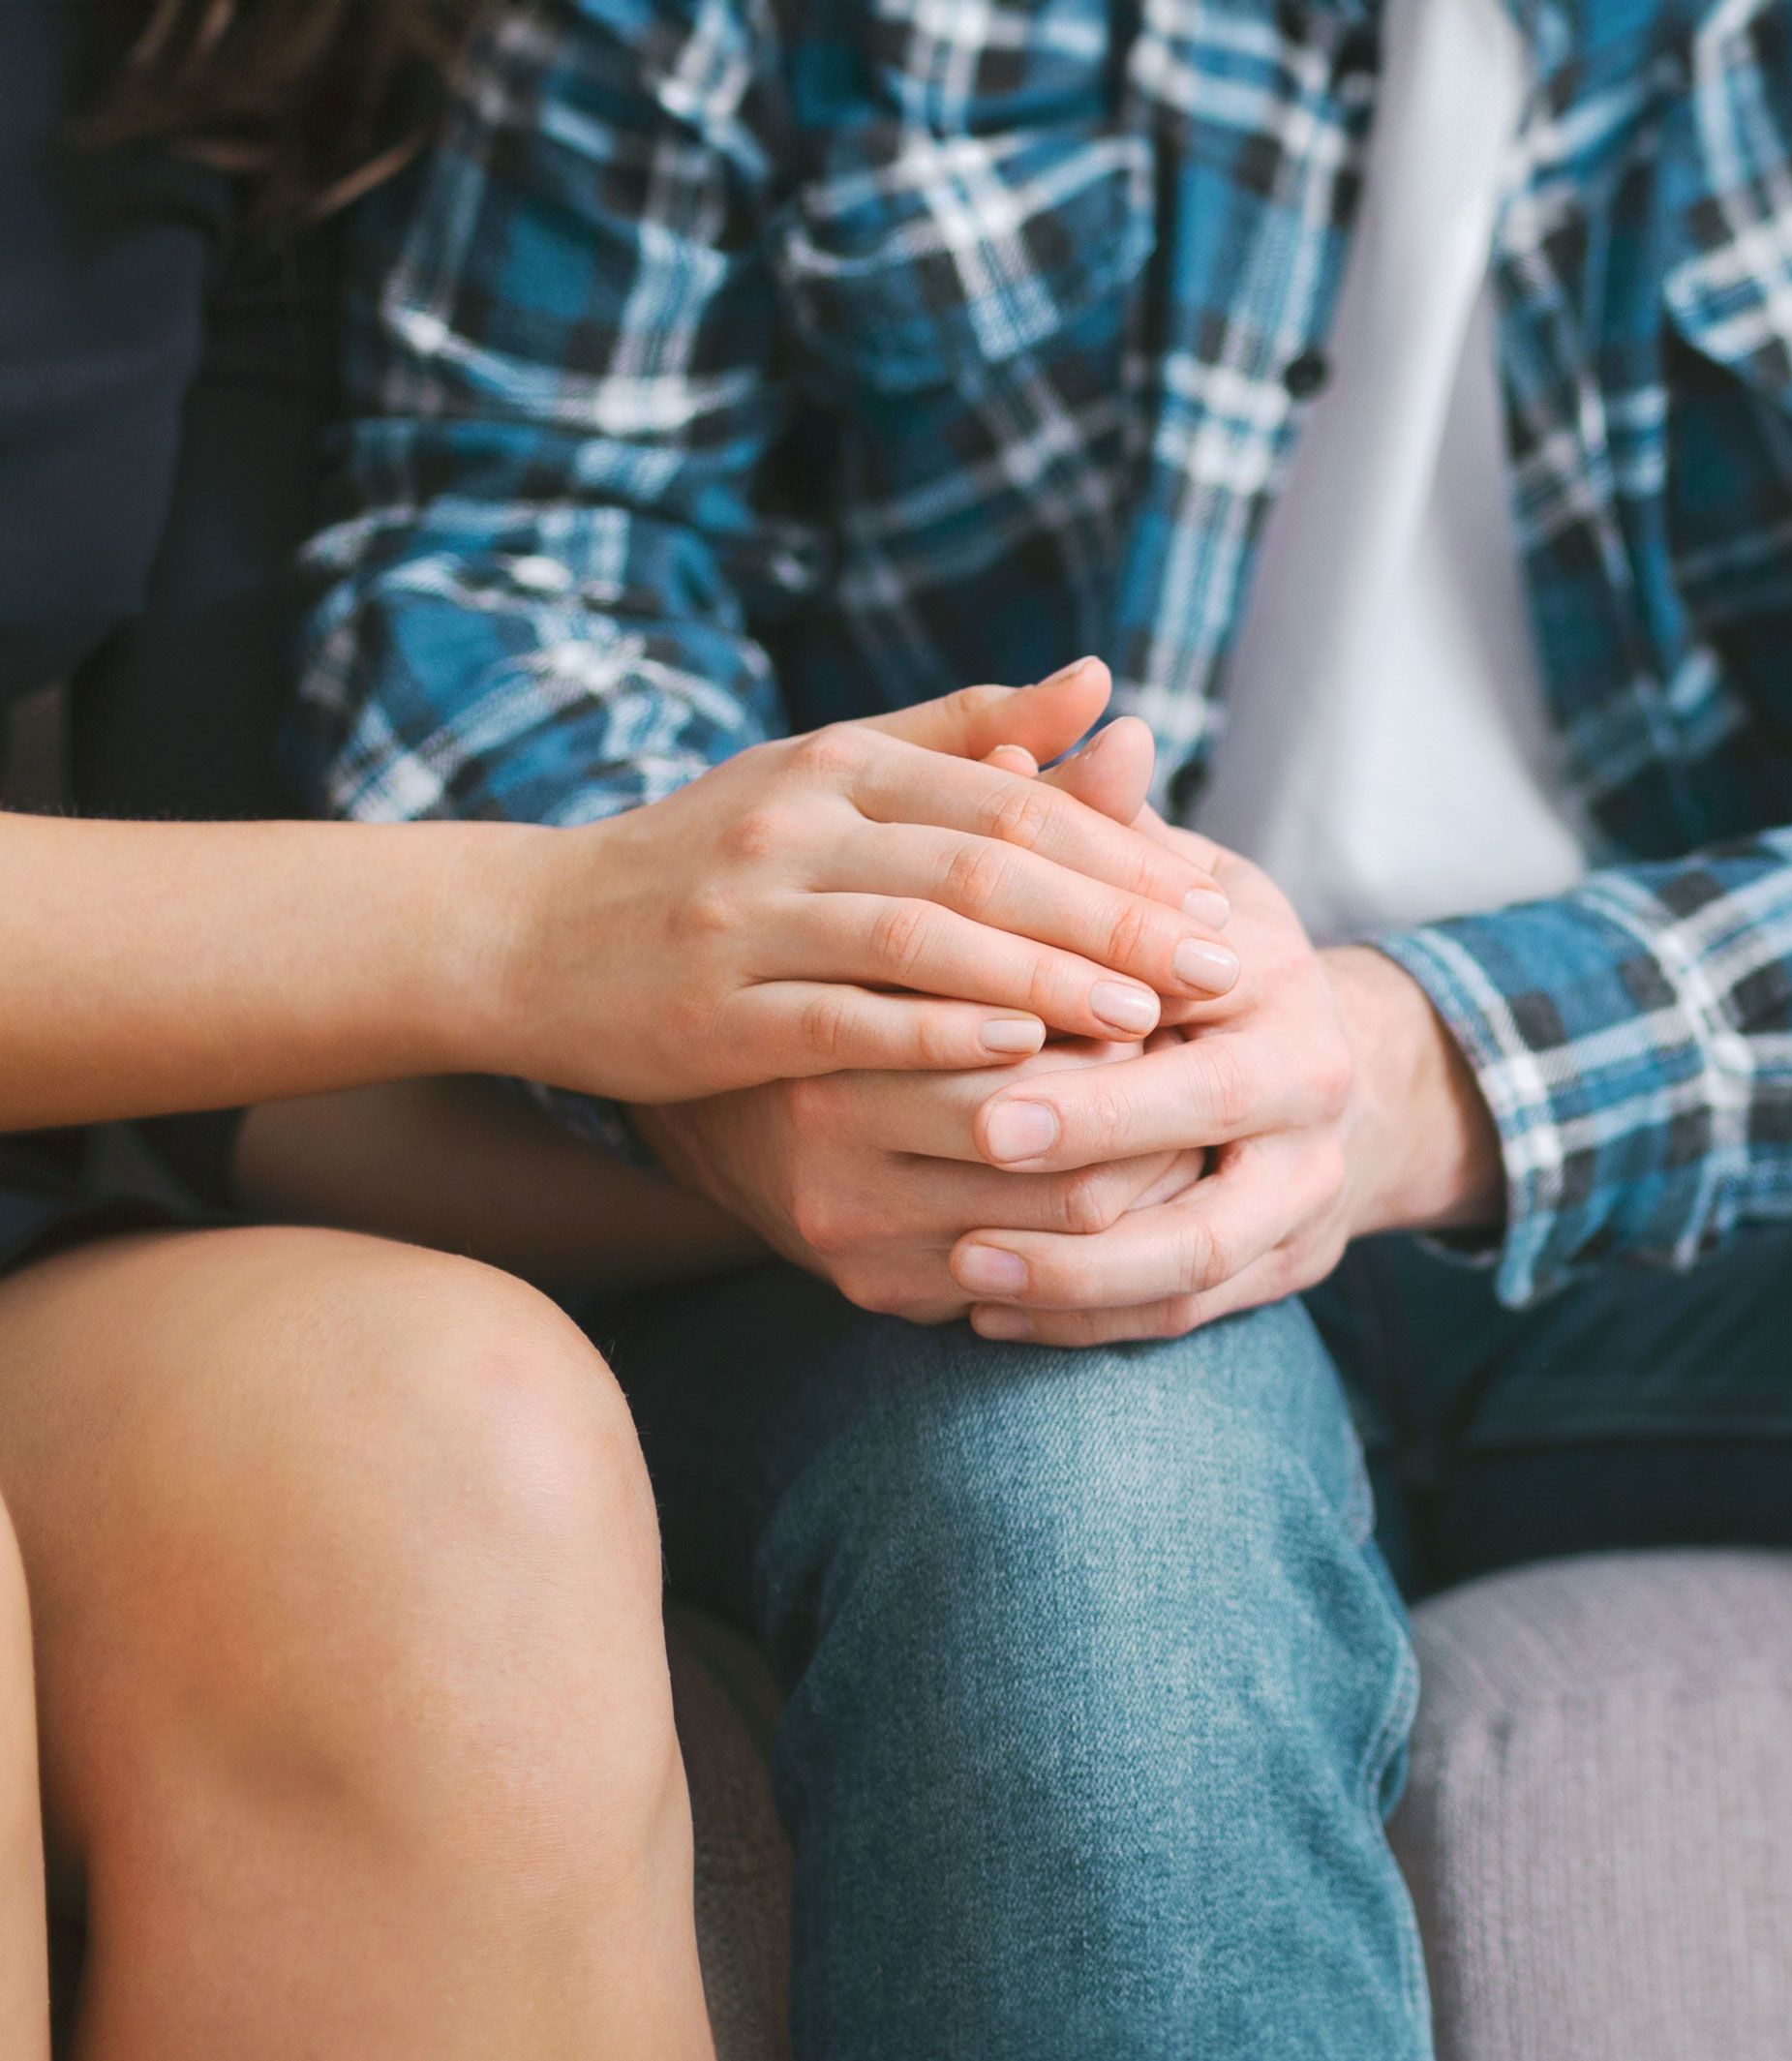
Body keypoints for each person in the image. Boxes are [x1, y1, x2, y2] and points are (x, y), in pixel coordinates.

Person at [289, 0, 1792, 2052]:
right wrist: (796, 1024)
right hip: (982, 1162)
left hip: (1704, 1205)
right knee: (1091, 1500)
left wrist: (1416, 1067)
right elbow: (503, 565)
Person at [0, 0, 1244, 2049]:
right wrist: (536, 922)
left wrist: (932, 1108)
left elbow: (230, 986)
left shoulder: (234, 48)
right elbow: (457, 938)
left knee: (428, 1446)